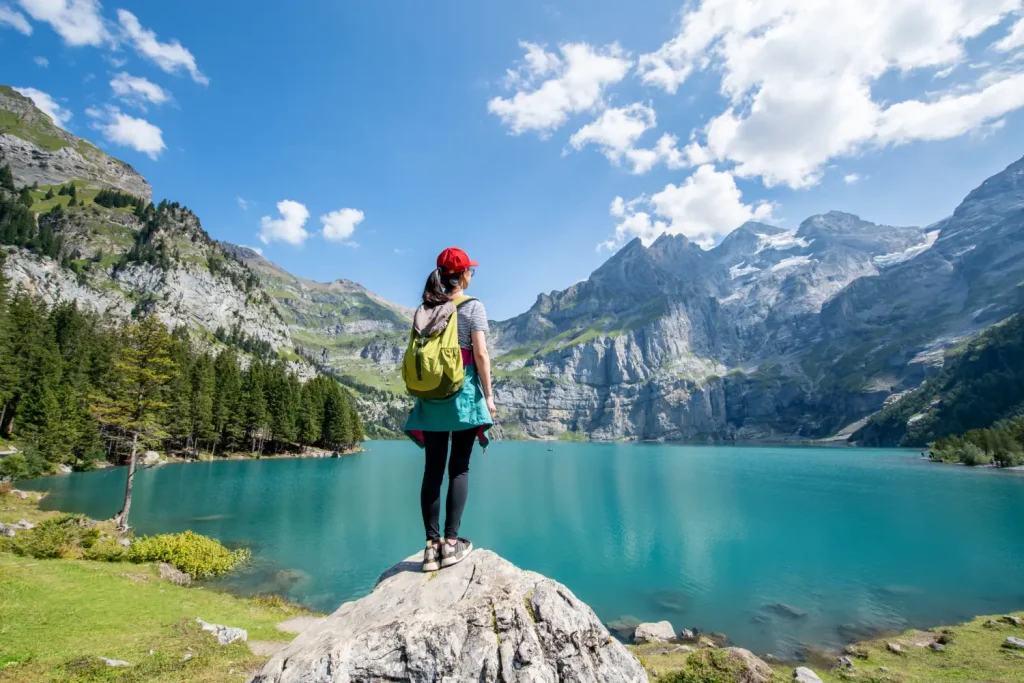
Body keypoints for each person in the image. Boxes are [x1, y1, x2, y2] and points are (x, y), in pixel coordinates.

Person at [404, 247, 495, 572]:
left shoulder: (426, 307)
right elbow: (481, 355)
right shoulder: (473, 307)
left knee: (432, 470)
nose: (472, 274)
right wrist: (489, 396)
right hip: (463, 399)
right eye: (471, 270)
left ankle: (431, 548)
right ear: (464, 275)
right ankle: (452, 545)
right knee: (459, 469)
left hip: (431, 399)